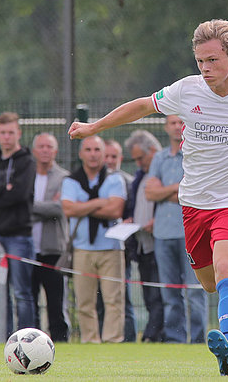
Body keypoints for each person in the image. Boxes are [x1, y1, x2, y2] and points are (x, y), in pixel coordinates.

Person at [67, 19, 228, 376]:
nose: (205, 68)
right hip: (194, 205)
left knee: (226, 270)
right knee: (212, 281)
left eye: (213, 60)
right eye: (200, 61)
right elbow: (141, 105)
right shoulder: (187, 91)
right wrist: (94, 126)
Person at [145, 115, 208, 344]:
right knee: (170, 292)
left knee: (194, 290)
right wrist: (178, 189)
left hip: (190, 233)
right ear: (165, 127)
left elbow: (195, 193)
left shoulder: (196, 156)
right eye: (172, 122)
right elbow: (149, 193)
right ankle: (175, 340)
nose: (176, 127)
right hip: (163, 233)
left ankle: (199, 339)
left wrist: (166, 190)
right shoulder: (159, 158)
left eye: (180, 122)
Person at [61, 135, 127, 343]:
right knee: (84, 301)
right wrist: (99, 202)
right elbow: (68, 209)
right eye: (88, 150)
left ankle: (112, 341)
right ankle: (90, 340)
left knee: (114, 300)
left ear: (104, 154)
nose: (93, 154)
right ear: (81, 154)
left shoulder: (115, 179)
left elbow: (116, 209)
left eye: (97, 150)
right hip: (82, 249)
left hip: (111, 248)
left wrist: (84, 206)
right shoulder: (71, 180)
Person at [0, 112, 37, 339]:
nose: (7, 137)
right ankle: (7, 340)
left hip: (19, 236)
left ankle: (27, 340)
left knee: (22, 292)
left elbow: (19, 195)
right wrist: (3, 190)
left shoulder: (27, 161)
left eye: (11, 132)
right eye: (2, 132)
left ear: (19, 133)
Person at [124, 129, 165, 343]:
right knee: (149, 293)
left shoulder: (163, 171)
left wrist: (158, 222)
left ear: (152, 150)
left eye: (141, 158)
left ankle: (153, 335)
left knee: (160, 293)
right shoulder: (140, 177)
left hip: (160, 242)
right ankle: (153, 334)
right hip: (142, 245)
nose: (138, 163)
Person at [30, 132, 71, 342]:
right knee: (29, 302)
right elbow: (16, 204)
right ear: (34, 151)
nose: (45, 150)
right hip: (28, 250)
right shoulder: (27, 176)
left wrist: (30, 206)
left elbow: (59, 207)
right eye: (41, 146)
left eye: (49, 146)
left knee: (56, 304)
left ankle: (61, 343)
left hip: (54, 251)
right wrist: (45, 207)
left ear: (55, 151)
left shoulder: (63, 177)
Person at [101, 138, 137, 342]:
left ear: (120, 158)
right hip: (99, 246)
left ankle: (128, 338)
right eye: (106, 156)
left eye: (113, 156)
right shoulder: (96, 181)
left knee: (123, 296)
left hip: (123, 247)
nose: (109, 160)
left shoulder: (128, 182)